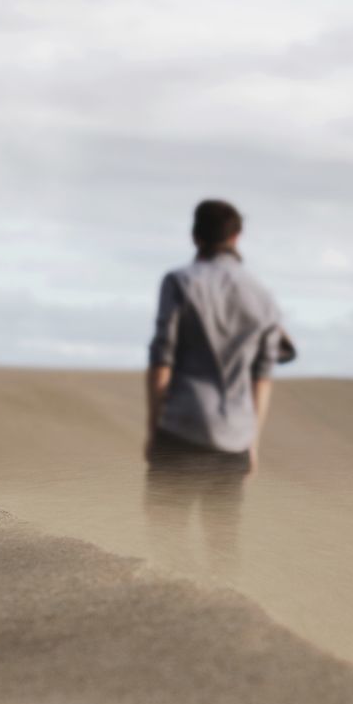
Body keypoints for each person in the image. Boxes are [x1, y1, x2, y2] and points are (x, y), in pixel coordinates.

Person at [143, 198, 294, 567]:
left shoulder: (179, 282)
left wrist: (153, 428)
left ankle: (168, 618)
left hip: (181, 428)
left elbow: (162, 360)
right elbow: (263, 377)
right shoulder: (263, 296)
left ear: (195, 236)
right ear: (237, 237)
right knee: (223, 544)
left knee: (164, 538)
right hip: (234, 439)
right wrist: (252, 442)